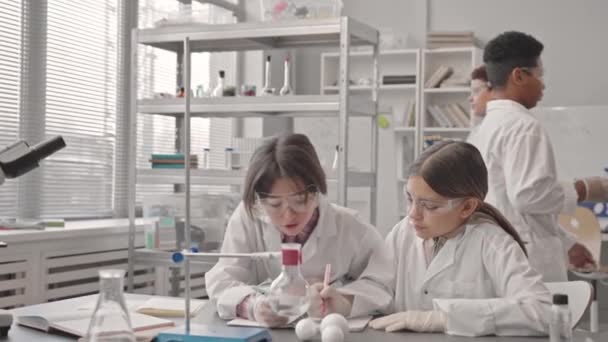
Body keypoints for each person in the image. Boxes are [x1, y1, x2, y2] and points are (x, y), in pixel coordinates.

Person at [308, 140, 552, 336]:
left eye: (430, 206)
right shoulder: (404, 232)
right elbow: (380, 286)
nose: (413, 214)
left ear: (467, 207)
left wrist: (445, 317)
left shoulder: (493, 244)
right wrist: (345, 302)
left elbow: (542, 311)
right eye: (410, 199)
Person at [205, 133, 385, 327]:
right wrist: (253, 307)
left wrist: (345, 302)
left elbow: (382, 284)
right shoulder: (248, 218)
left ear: (317, 189)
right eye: (275, 204)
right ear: (260, 200)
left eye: (299, 201)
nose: (288, 215)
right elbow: (222, 278)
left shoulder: (351, 226)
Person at [467, 31, 602, 281]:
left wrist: (567, 244)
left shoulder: (480, 131)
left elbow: (515, 207)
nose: (543, 84)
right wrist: (584, 189)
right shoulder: (524, 127)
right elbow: (529, 196)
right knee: (540, 319)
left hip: (498, 253)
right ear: (519, 75)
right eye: (540, 74)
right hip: (527, 260)